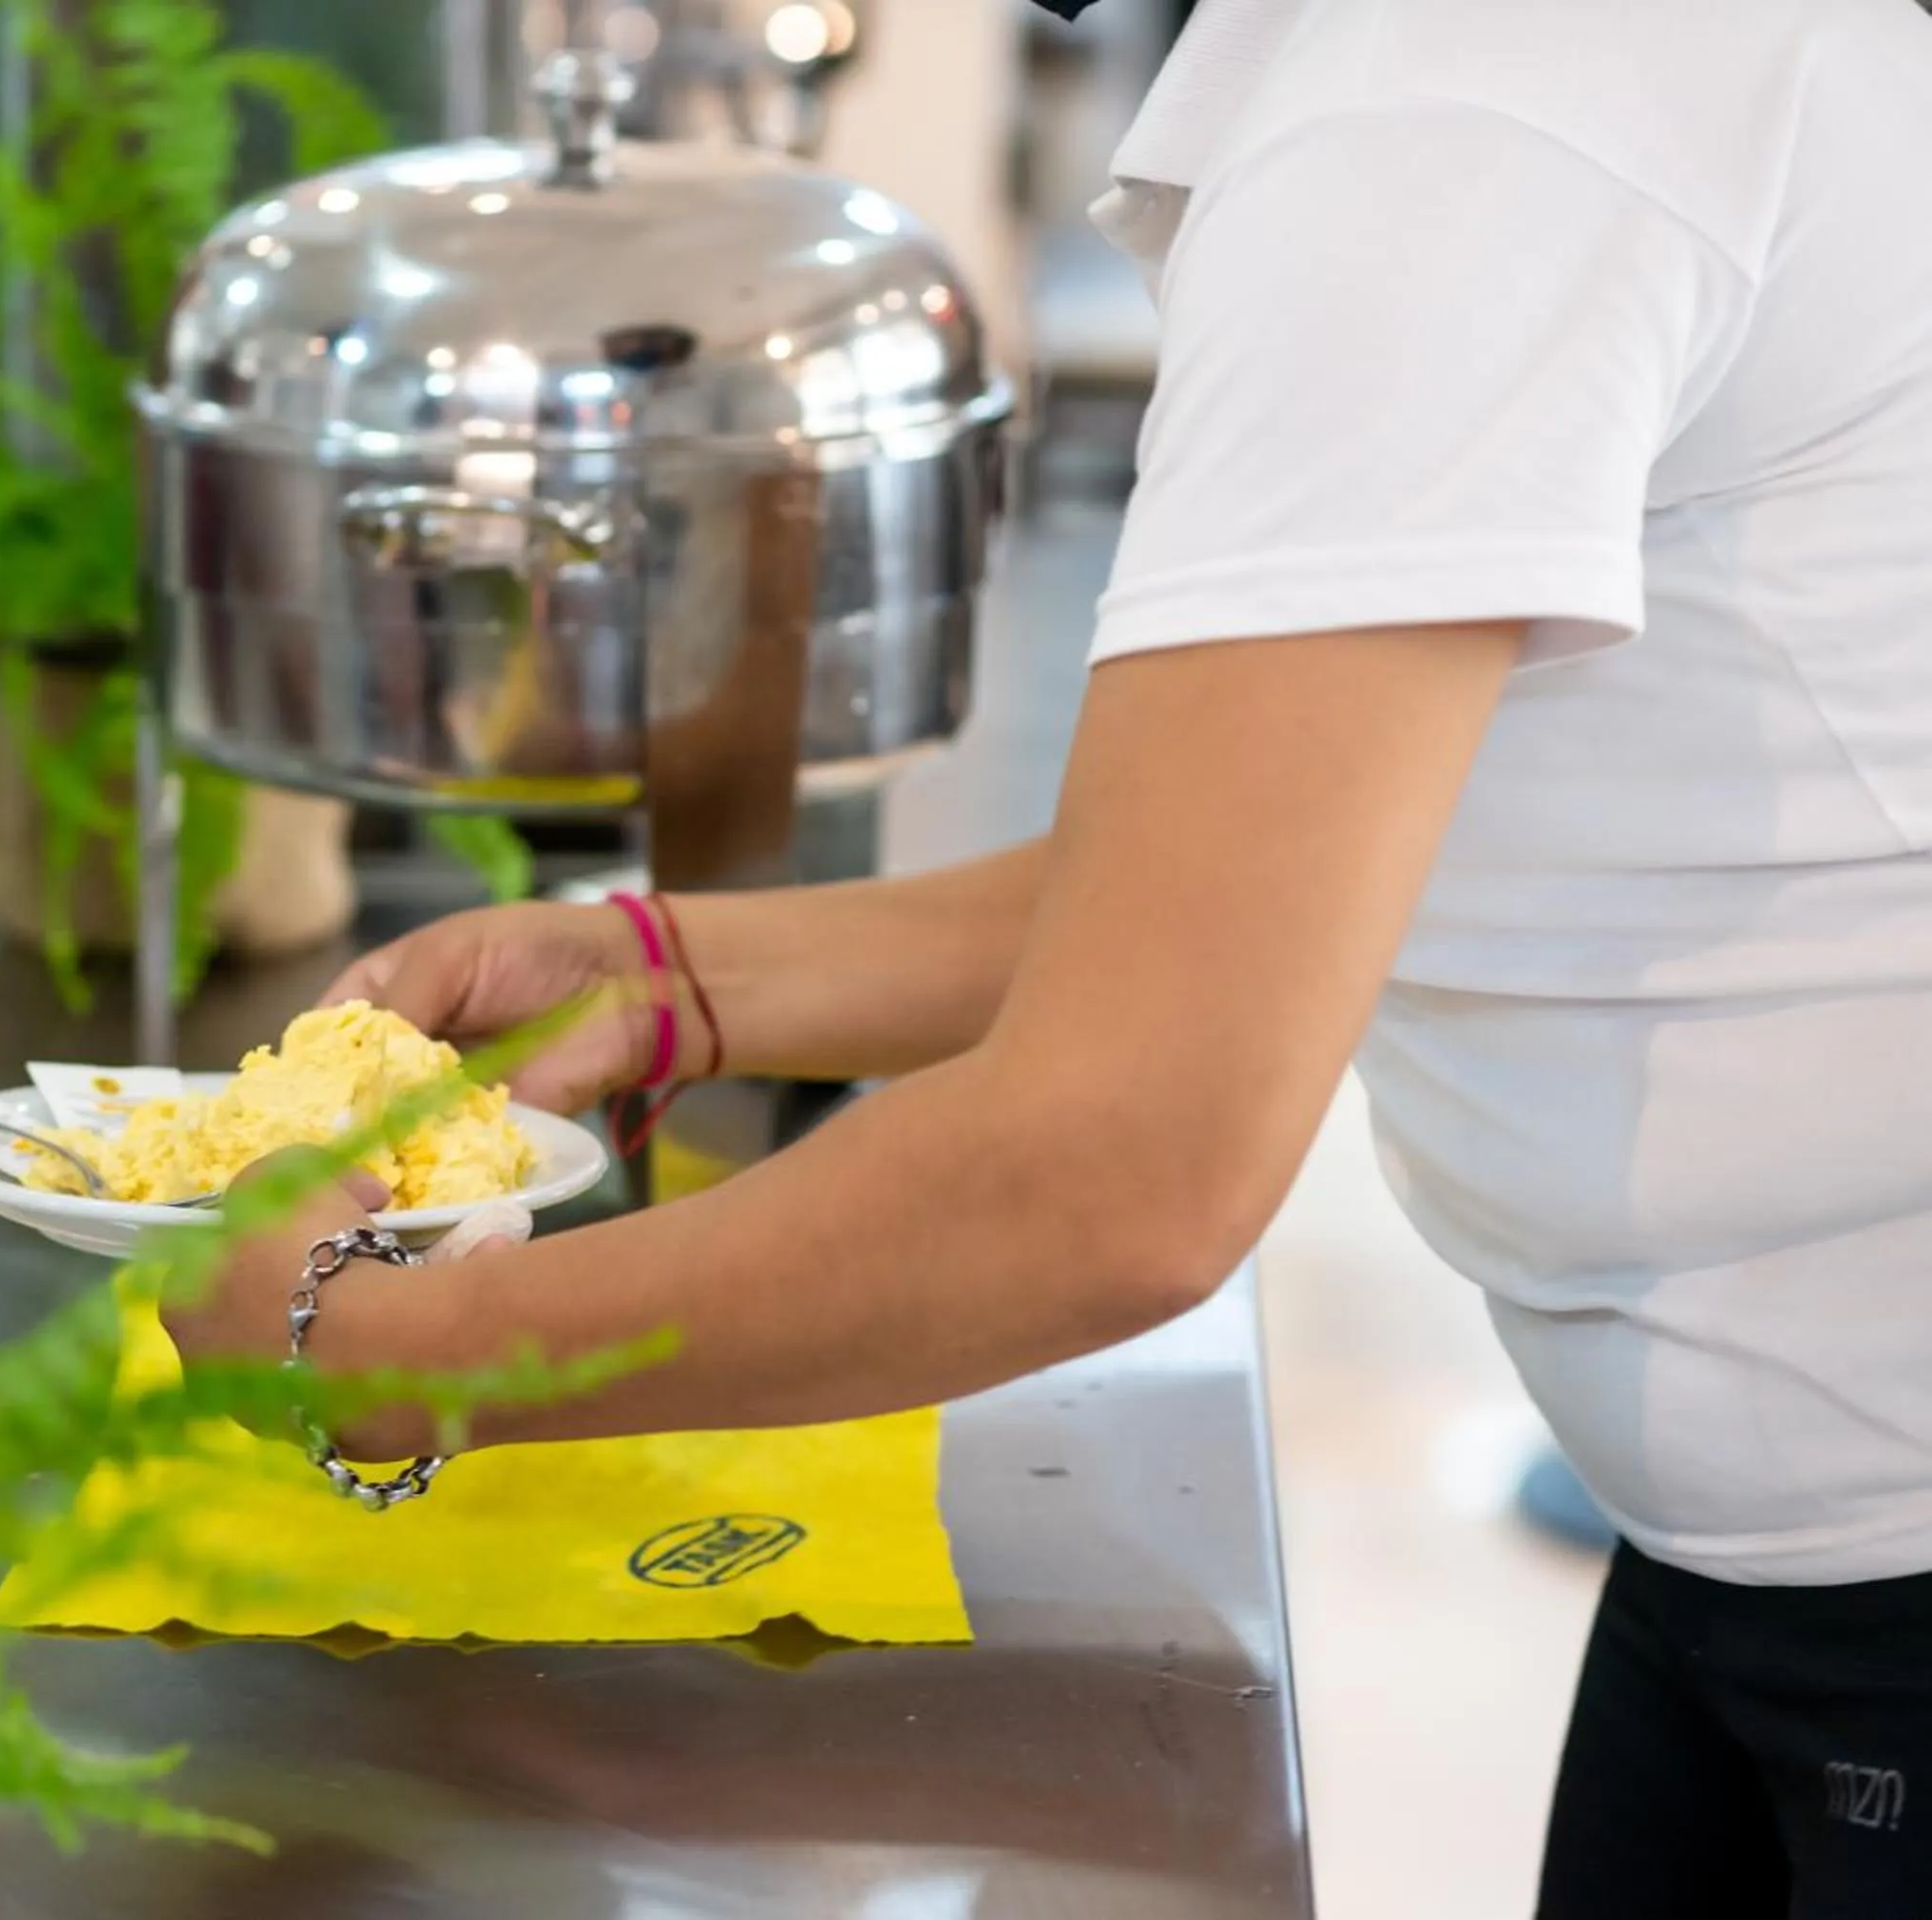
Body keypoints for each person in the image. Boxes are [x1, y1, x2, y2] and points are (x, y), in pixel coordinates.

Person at [164, 1, 1932, 1913]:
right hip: (1767, 1556)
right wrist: (675, 975)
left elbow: (1120, 1170)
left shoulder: (1453, 94)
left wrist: (387, 1344)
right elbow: (1277, 862)